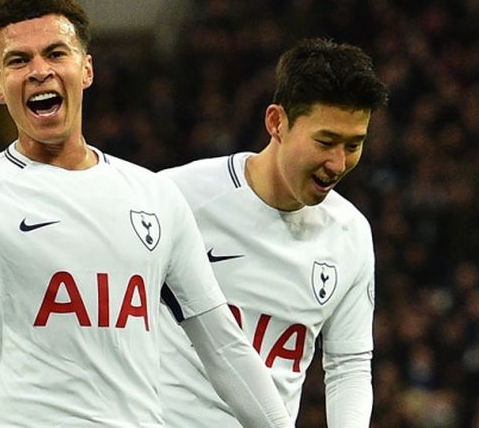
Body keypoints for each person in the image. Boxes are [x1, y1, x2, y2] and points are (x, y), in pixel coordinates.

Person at [0, 0, 294, 428]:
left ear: (86, 69)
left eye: (55, 53)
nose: (39, 71)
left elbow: (223, 347)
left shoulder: (153, 196)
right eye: (18, 60)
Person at [158, 38, 389, 428]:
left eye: (354, 145)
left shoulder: (351, 234)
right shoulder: (178, 198)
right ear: (276, 122)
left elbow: (348, 364)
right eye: (326, 141)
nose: (338, 163)